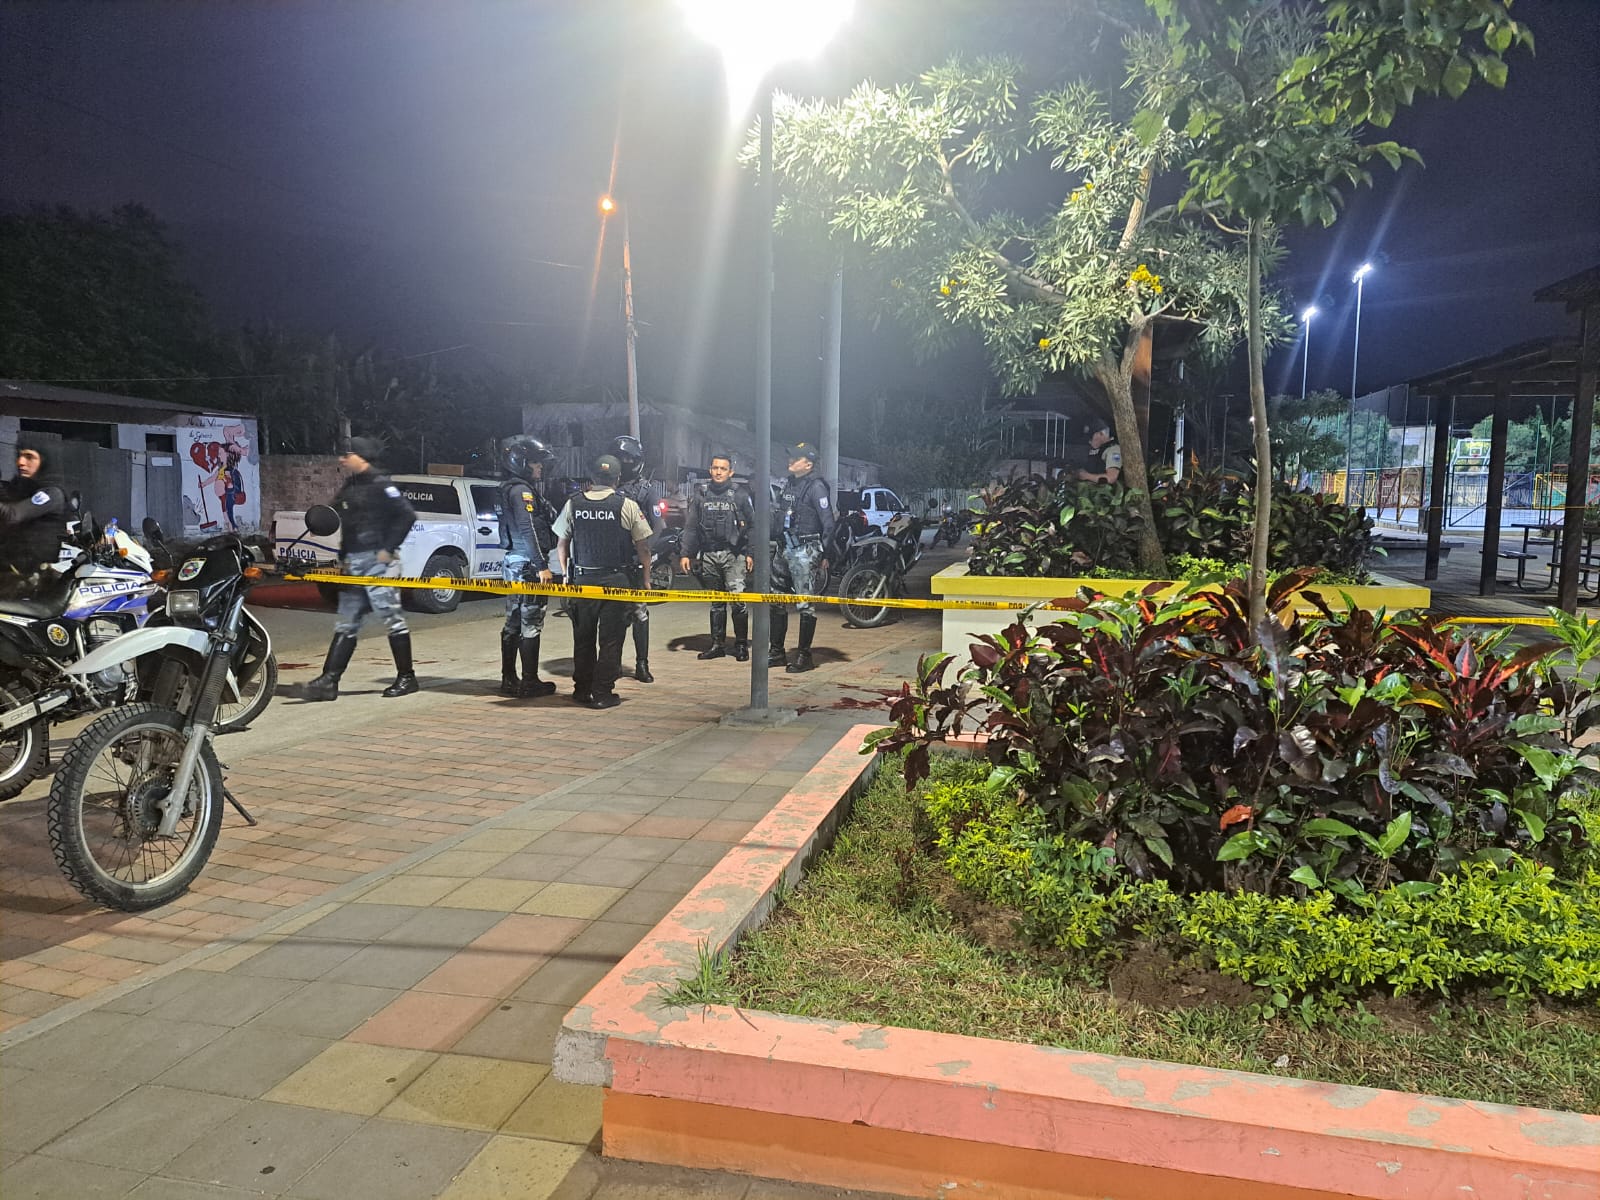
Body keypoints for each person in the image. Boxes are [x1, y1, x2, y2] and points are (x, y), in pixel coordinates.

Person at [304, 437, 420, 702]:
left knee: (391, 619)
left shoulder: (382, 485)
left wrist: (388, 549)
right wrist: (343, 555)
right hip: (356, 560)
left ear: (362, 456)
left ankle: (407, 677)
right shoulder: (350, 486)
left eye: (348, 454)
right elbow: (342, 520)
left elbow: (407, 516)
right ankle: (329, 680)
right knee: (347, 621)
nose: (342, 460)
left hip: (379, 562)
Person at [554, 454, 654, 709]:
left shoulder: (573, 503)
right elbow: (643, 548)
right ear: (617, 478)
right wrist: (646, 579)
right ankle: (602, 694)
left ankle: (581, 689)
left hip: (583, 580)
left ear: (593, 478)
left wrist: (565, 576)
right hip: (615, 581)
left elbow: (562, 543)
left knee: (583, 638)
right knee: (610, 640)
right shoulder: (626, 505)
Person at [496, 435, 561, 698]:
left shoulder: (510, 488)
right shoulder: (521, 491)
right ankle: (529, 681)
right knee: (531, 622)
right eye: (535, 463)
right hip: (527, 564)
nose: (540, 467)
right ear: (522, 462)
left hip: (514, 561)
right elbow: (528, 528)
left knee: (512, 621)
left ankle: (509, 679)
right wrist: (541, 565)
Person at [680, 453, 754, 661]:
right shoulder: (701, 494)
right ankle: (717, 644)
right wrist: (687, 553)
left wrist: (751, 553)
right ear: (710, 470)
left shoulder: (740, 494)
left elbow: (753, 526)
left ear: (730, 472)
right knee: (716, 602)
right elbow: (691, 527)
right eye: (715, 468)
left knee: (737, 601)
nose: (718, 472)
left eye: (723, 469)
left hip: (734, 555)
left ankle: (741, 645)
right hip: (709, 554)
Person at [770, 442, 834, 673]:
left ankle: (804, 656)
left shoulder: (816, 487)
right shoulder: (789, 484)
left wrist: (823, 554)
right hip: (784, 548)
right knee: (776, 600)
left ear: (808, 463)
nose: (790, 461)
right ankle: (776, 651)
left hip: (805, 551)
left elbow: (828, 523)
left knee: (804, 604)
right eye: (790, 457)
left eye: (796, 458)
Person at [611, 434, 664, 682]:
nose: (623, 462)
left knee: (640, 614)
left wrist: (642, 553)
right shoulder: (606, 486)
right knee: (613, 617)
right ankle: (613, 664)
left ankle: (642, 664)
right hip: (610, 564)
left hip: (633, 562)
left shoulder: (646, 490)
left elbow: (658, 525)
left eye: (626, 458)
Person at [0, 441, 69, 577]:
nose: (20, 462)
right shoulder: (22, 489)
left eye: (29, 457)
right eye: (19, 456)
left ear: (44, 461)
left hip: (30, 577)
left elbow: (12, 515)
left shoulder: (52, 493)